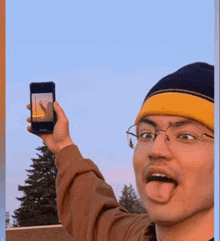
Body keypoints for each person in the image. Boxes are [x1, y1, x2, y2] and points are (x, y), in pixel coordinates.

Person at [27, 62, 214, 241]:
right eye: (146, 135)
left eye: (186, 136)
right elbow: (94, 217)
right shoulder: (130, 235)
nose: (156, 150)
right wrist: (63, 146)